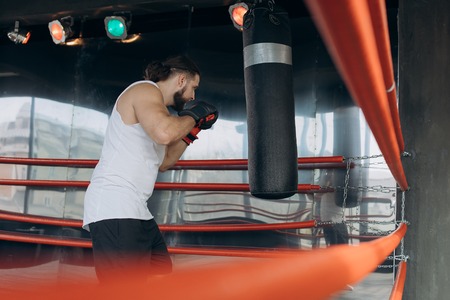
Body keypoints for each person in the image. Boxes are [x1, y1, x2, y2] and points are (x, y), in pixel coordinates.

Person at [82, 55, 218, 284]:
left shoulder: (157, 113)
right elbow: (165, 133)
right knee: (123, 291)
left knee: (159, 274)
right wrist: (193, 115)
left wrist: (193, 130)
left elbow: (164, 162)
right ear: (181, 79)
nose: (194, 96)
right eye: (193, 88)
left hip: (135, 209)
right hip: (115, 205)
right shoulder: (144, 90)